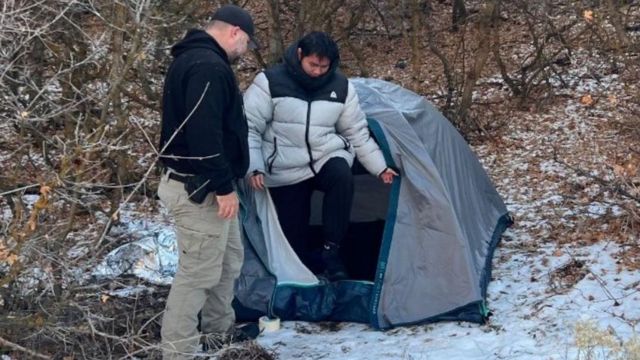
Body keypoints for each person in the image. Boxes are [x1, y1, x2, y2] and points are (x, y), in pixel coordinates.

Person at [243, 31, 397, 281]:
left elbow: (355, 131)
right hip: (284, 165)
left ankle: (332, 250)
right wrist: (255, 167)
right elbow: (249, 126)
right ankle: (302, 269)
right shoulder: (270, 82)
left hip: (325, 155)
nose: (317, 71)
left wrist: (380, 167)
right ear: (300, 55)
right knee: (293, 233)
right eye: (313, 65)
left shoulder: (341, 86)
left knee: (342, 175)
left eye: (323, 67)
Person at [156, 5, 259, 358]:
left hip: (209, 183)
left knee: (229, 260)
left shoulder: (197, 60)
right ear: (234, 32)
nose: (244, 51)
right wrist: (223, 187)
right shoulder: (208, 67)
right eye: (246, 42)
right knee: (198, 273)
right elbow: (204, 135)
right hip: (199, 188)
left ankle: (218, 332)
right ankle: (178, 351)